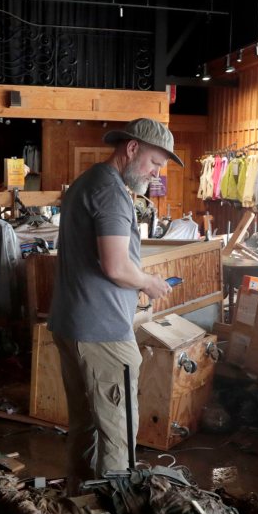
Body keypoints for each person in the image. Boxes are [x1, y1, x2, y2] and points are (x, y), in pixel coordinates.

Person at [48, 118, 182, 483]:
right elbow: (116, 265)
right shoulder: (111, 192)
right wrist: (149, 282)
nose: (156, 174)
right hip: (102, 332)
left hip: (73, 323)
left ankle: (80, 505)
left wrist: (130, 284)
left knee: (86, 425)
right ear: (132, 148)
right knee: (118, 435)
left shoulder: (87, 182)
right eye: (154, 163)